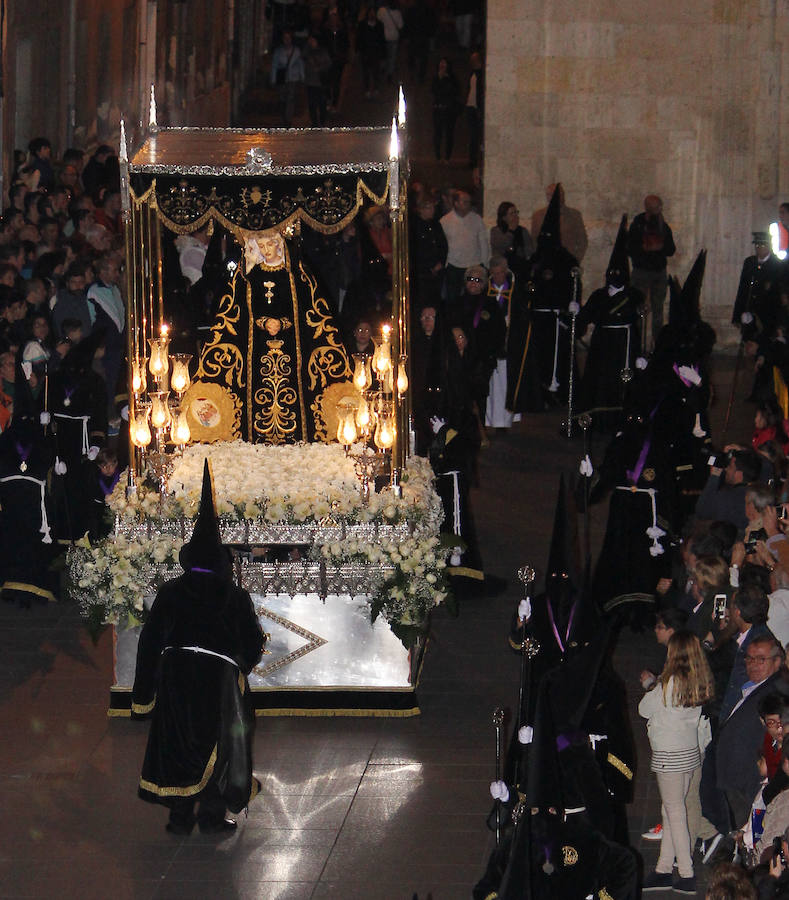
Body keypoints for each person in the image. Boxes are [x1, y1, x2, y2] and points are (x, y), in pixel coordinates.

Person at [132, 460, 266, 835]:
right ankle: (210, 816)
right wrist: (237, 667)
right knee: (217, 746)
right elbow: (252, 641)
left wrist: (144, 695)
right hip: (217, 680)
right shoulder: (234, 595)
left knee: (178, 741)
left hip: (176, 676)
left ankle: (178, 818)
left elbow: (150, 640)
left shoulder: (170, 592)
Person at [640, 630, 715, 894]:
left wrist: (652, 685)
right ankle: (662, 869)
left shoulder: (668, 683)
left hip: (669, 757)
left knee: (674, 812)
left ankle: (685, 873)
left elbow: (644, 709)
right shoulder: (699, 679)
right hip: (689, 753)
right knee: (672, 810)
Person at [627, 194, 676, 350]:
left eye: (660, 206)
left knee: (658, 310)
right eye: (656, 207)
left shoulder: (663, 225)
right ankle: (636, 345)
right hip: (641, 272)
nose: (660, 209)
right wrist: (645, 248)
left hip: (658, 272)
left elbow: (671, 249)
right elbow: (629, 248)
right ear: (648, 208)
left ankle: (658, 345)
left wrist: (660, 247)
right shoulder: (638, 225)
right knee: (638, 309)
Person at [440, 190, 489, 303]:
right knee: (453, 298)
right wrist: (446, 264)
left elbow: (483, 243)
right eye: (464, 201)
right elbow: (443, 245)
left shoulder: (476, 219)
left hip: (474, 265)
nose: (468, 204)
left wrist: (484, 264)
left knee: (475, 297)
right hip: (454, 266)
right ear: (456, 203)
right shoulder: (445, 221)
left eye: (469, 202)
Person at [530, 182, 588, 264]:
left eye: (559, 194)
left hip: (567, 261)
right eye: (551, 195)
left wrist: (576, 259)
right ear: (547, 197)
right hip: (545, 263)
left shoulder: (574, 215)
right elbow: (534, 240)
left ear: (563, 196)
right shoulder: (538, 216)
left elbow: (582, 240)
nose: (556, 198)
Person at [489, 201, 533, 277]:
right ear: (504, 217)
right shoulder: (496, 231)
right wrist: (511, 231)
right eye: (512, 213)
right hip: (503, 270)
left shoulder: (523, 231)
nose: (515, 216)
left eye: (516, 212)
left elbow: (529, 250)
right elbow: (500, 246)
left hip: (521, 268)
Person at [270, 30, 305, 126]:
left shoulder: (296, 51)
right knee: (282, 98)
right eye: (285, 38)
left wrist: (302, 76)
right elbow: (274, 65)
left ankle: (288, 119)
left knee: (290, 97)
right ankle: (283, 115)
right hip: (281, 76)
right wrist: (273, 79)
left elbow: (300, 64)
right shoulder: (278, 51)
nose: (287, 40)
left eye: (288, 38)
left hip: (293, 77)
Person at [431, 58, 459, 162]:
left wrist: (446, 80)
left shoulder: (452, 78)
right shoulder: (436, 78)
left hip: (449, 110)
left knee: (449, 134)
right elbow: (434, 91)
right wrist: (439, 78)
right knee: (437, 133)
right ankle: (438, 156)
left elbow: (454, 92)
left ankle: (447, 156)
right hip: (438, 108)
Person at [464, 51, 484, 171]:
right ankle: (472, 159)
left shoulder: (481, 74)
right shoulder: (473, 74)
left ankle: (476, 159)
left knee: (476, 135)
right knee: (472, 135)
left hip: (477, 107)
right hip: (470, 106)